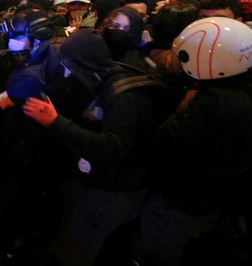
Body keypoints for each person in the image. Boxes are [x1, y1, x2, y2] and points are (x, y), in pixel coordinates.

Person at [137, 17, 252, 265]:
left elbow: (166, 142)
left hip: (186, 201)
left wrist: (185, 104)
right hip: (222, 198)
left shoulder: (208, 104)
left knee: (158, 245)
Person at [21, 29, 158, 265]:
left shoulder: (124, 96)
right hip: (100, 183)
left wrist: (55, 122)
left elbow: (112, 149)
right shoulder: (106, 78)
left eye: (69, 65)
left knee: (79, 247)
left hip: (116, 191)